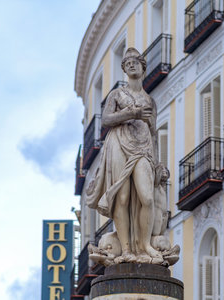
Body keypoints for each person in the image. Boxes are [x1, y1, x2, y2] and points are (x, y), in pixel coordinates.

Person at [86, 47, 161, 262]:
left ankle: (144, 245)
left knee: (146, 197)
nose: (130, 64)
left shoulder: (151, 101)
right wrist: (132, 113)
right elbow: (106, 120)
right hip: (118, 143)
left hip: (143, 146)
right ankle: (127, 249)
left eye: (134, 61)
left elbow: (154, 132)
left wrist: (157, 162)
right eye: (126, 63)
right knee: (123, 196)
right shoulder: (117, 95)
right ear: (124, 70)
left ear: (143, 66)